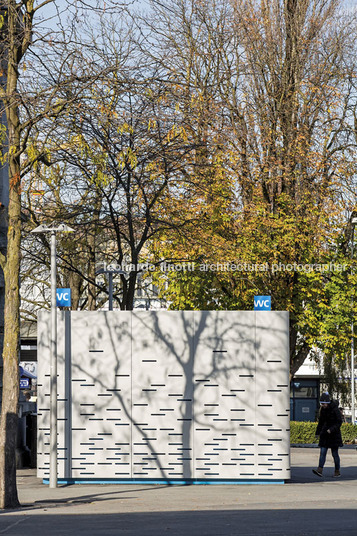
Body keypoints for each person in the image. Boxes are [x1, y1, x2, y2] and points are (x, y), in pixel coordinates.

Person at [312, 392, 343, 478]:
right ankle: (319, 470)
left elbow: (339, 422)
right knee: (322, 452)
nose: (323, 405)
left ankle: (337, 471)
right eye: (321, 403)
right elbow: (321, 422)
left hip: (334, 435)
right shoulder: (323, 410)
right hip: (325, 434)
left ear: (328, 402)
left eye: (323, 403)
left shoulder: (335, 409)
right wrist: (317, 433)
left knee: (335, 454)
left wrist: (332, 429)